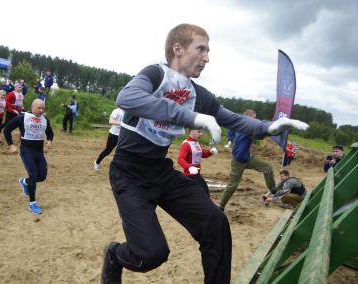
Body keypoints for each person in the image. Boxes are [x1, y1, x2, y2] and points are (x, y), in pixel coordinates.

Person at [100, 23, 308, 284]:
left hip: (161, 171)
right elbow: (127, 97)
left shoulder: (197, 94)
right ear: (178, 48)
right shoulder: (155, 74)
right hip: (128, 173)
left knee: (216, 223)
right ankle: (115, 256)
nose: (207, 58)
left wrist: (268, 127)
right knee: (150, 254)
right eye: (201, 49)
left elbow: (232, 119)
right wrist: (191, 116)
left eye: (208, 51)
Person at [218, 109, 276, 211]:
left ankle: (273, 191)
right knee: (232, 185)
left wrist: (230, 140)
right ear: (247, 117)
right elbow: (258, 132)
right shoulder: (246, 129)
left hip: (248, 158)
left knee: (267, 167)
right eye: (253, 118)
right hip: (238, 161)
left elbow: (232, 128)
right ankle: (221, 207)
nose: (253, 121)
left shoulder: (240, 125)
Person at [3, 99, 54, 215]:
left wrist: (50, 140)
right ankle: (32, 203)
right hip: (26, 150)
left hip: (39, 152)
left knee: (42, 176)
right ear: (32, 107)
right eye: (39, 108)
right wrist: (11, 145)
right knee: (34, 175)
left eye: (43, 108)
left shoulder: (45, 120)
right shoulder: (23, 117)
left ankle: (25, 182)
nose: (41, 110)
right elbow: (7, 129)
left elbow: (50, 132)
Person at [177, 129, 218, 196]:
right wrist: (189, 167)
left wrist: (210, 152)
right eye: (199, 132)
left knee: (204, 194)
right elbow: (180, 159)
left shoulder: (196, 142)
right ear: (192, 131)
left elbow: (202, 154)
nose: (201, 134)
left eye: (201, 132)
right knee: (203, 195)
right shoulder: (186, 144)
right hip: (190, 176)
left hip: (196, 175)